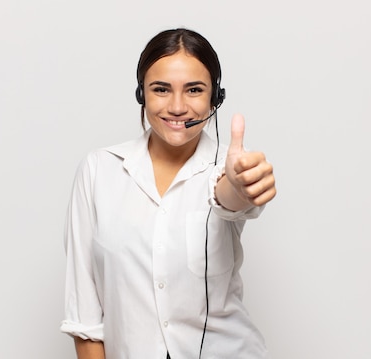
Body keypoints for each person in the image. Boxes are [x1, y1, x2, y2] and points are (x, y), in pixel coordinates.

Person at [60, 28, 277, 359]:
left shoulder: (229, 169)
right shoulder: (98, 171)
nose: (178, 107)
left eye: (194, 90)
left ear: (214, 98)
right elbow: (85, 315)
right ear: (141, 94)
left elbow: (228, 200)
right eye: (161, 89)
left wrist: (238, 185)